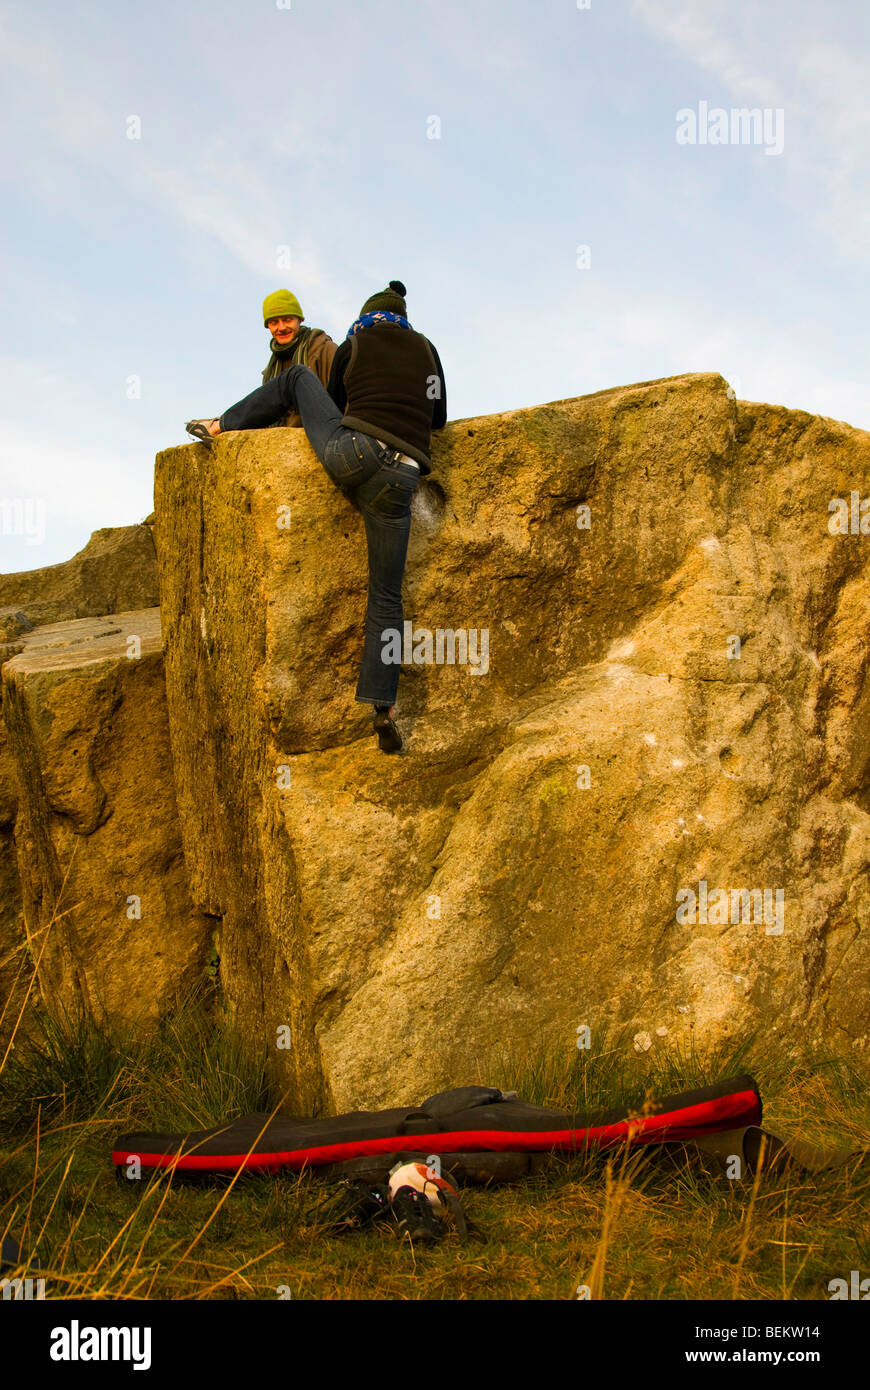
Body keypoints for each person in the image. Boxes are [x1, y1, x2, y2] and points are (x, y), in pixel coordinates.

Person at [185, 280, 447, 754]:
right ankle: (383, 709)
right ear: (403, 319)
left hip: (354, 456)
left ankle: (219, 424)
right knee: (386, 597)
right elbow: (440, 418)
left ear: (368, 317)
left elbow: (332, 400)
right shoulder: (428, 349)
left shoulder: (352, 344)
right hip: (403, 478)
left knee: (295, 380)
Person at [259, 288, 337, 427]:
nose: (281, 327)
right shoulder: (270, 370)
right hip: (279, 443)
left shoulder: (325, 349)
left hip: (320, 436)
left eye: (287, 320)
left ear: (299, 320)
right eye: (274, 322)